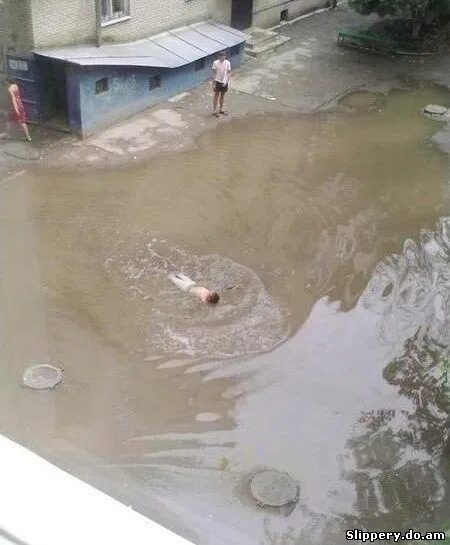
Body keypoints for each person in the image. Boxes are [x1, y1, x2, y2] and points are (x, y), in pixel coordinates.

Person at [5, 78, 32, 142]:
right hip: (20, 103)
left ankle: (8, 134)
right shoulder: (16, 86)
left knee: (9, 120)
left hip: (14, 106)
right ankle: (28, 137)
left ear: (7, 82)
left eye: (6, 83)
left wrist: (16, 109)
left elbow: (13, 99)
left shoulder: (9, 89)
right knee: (22, 121)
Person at [211, 52, 231, 118]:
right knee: (216, 96)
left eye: (224, 56)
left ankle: (221, 109)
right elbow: (214, 73)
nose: (223, 58)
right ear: (219, 57)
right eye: (221, 57)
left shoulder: (227, 63)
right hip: (217, 81)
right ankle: (214, 111)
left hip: (224, 82)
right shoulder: (215, 63)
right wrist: (213, 83)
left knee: (222, 96)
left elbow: (228, 73)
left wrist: (226, 81)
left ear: (225, 56)